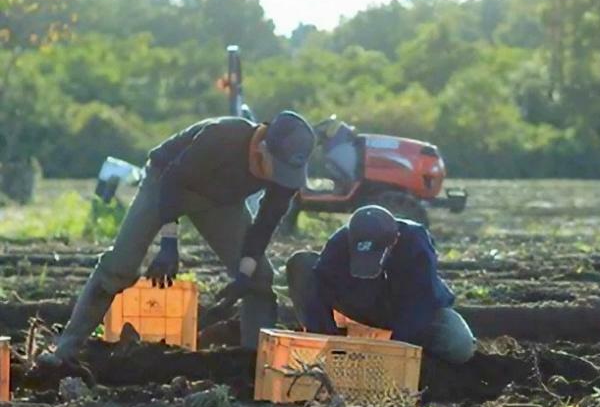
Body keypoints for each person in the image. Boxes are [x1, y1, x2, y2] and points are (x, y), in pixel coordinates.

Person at [44, 111, 316, 362]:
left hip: (221, 201)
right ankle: (65, 350)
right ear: (262, 147)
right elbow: (174, 179)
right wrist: (168, 243)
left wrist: (244, 274)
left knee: (258, 279)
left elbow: (265, 224)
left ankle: (256, 366)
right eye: (279, 168)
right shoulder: (223, 136)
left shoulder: (286, 180)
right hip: (165, 183)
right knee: (120, 266)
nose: (283, 179)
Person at [286, 204, 475, 363]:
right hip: (364, 301)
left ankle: (425, 364)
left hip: (407, 308)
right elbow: (319, 286)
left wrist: (393, 349)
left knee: (459, 344)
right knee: (302, 263)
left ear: (394, 242)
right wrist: (328, 342)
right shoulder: (340, 242)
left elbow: (420, 302)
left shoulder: (415, 243)